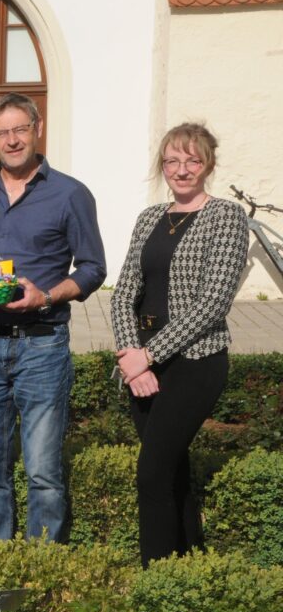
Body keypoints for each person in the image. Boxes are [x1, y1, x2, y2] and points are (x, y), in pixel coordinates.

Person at [0, 93, 106, 543]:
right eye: (2, 132)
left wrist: (46, 296)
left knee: (43, 472)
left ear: (37, 128)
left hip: (43, 344)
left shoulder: (70, 193)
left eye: (20, 129)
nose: (12, 140)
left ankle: (41, 570)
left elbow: (93, 268)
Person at [110, 123, 248, 567]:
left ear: (207, 163)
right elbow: (124, 291)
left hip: (193, 362)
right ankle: (190, 567)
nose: (182, 169)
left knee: (151, 474)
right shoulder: (150, 217)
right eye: (172, 160)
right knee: (172, 472)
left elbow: (213, 302)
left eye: (192, 160)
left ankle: (156, 580)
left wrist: (149, 354)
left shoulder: (225, 216)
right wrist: (135, 359)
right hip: (140, 366)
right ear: (162, 165)